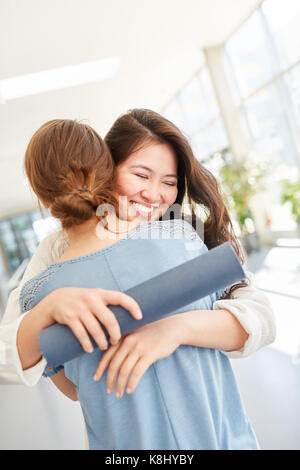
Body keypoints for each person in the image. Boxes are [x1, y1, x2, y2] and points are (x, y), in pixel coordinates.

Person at [15, 117, 263, 450]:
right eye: (141, 175)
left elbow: (76, 388)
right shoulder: (184, 241)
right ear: (108, 172)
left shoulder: (39, 295)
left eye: (168, 181)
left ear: (42, 198)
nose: (153, 192)